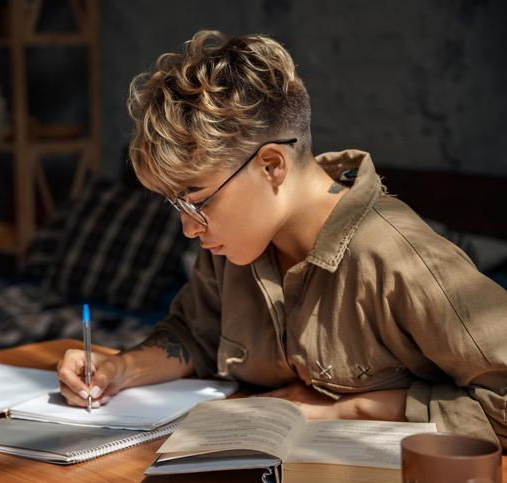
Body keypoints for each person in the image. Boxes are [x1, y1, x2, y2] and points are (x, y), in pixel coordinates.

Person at [56, 30, 507, 448]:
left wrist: (346, 409)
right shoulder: (232, 247)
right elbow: (194, 335)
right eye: (177, 206)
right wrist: (118, 369)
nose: (189, 229)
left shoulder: (397, 258)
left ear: (271, 166)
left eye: (197, 200)